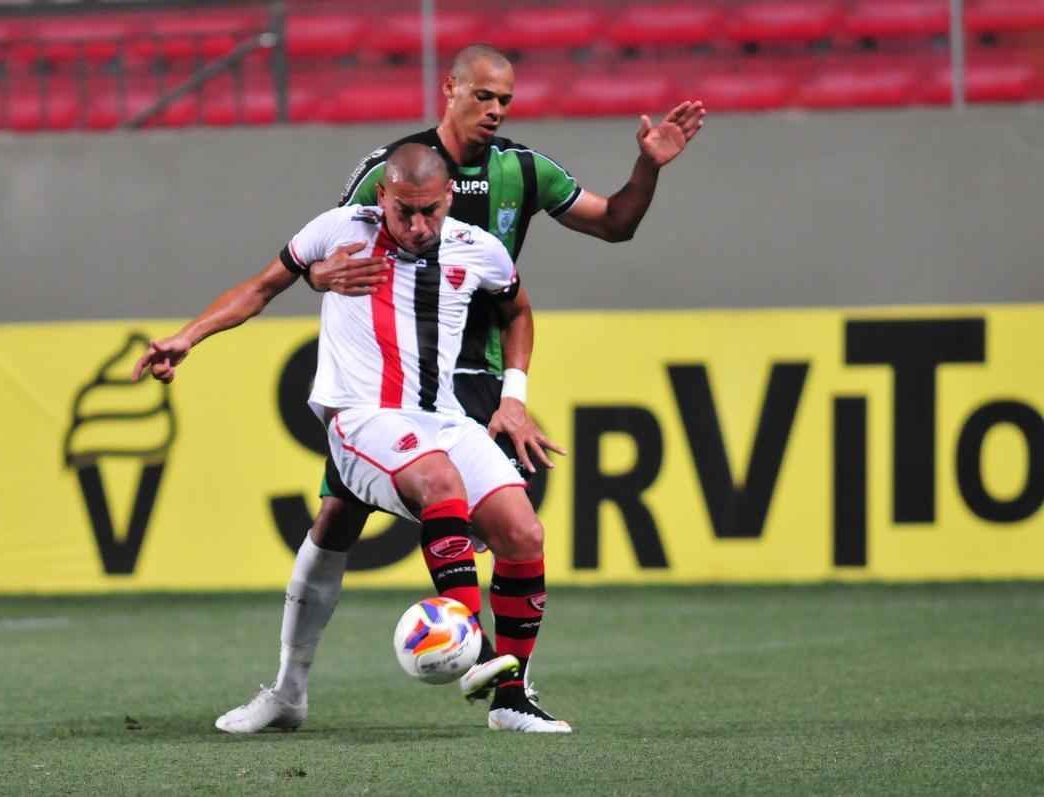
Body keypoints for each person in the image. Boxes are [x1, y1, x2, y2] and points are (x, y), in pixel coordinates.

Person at [218, 43, 707, 734]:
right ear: (449, 89)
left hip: (467, 380)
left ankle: (510, 691)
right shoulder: (392, 171)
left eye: (506, 100)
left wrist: (646, 169)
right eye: (484, 97)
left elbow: (613, 226)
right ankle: (289, 688)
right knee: (337, 519)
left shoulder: (523, 170)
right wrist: (318, 277)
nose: (496, 111)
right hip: (386, 379)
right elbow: (334, 256)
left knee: (515, 526)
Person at [136, 143, 570, 732]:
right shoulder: (341, 232)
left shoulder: (480, 249)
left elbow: (516, 309)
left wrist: (513, 396)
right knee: (433, 482)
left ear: (448, 201)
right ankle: (477, 650)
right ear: (381, 198)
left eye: (430, 212)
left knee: (523, 531)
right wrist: (188, 337)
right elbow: (260, 288)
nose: (417, 226)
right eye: (403, 212)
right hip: (361, 418)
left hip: (442, 418)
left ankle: (511, 697)